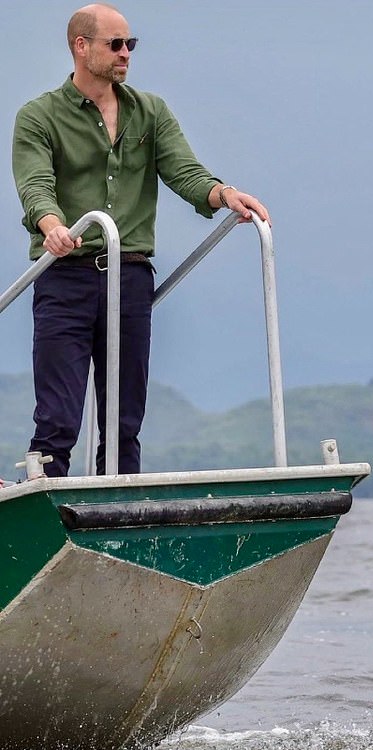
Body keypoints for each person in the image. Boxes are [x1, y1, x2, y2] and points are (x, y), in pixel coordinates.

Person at [12, 3, 270, 478]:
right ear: (81, 47)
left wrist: (225, 195)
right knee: (58, 418)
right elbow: (35, 186)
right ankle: (44, 503)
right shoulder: (38, 116)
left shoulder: (151, 112)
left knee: (124, 420)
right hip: (65, 276)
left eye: (130, 43)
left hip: (129, 277)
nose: (126, 53)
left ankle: (121, 504)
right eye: (115, 44)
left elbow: (185, 172)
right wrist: (52, 226)